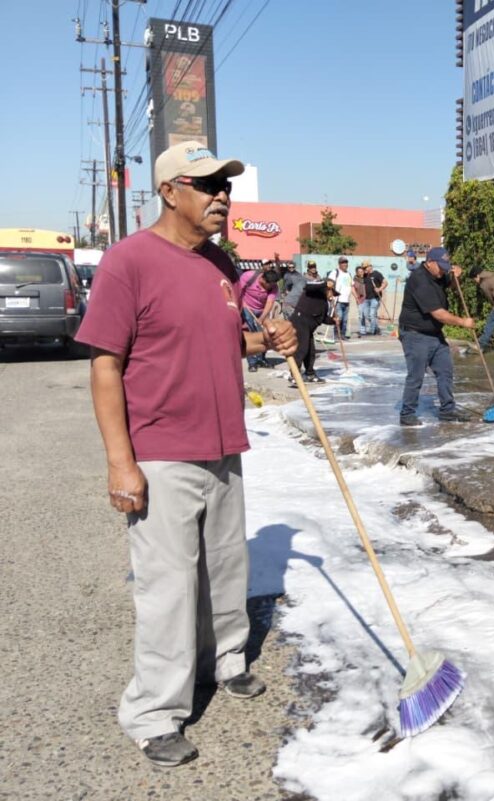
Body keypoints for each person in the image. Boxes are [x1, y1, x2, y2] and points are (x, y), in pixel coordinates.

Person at [74, 140, 297, 768]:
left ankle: (223, 661)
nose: (222, 196)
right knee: (169, 586)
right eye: (208, 185)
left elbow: (223, 341)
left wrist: (267, 339)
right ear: (170, 192)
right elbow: (105, 365)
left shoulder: (219, 263)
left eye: (225, 186)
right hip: (161, 451)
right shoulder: (129, 261)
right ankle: (153, 712)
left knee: (224, 567)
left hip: (223, 446)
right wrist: (120, 462)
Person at [397, 246, 475, 426]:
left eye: (445, 267)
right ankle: (407, 413)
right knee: (416, 375)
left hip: (434, 334)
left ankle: (447, 410)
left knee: (445, 371)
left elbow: (452, 286)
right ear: (429, 262)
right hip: (415, 334)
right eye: (440, 267)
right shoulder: (419, 280)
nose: (443, 272)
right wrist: (463, 322)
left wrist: (456, 277)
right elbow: (438, 314)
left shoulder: (438, 274)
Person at [288, 276, 336, 386]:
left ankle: (310, 374)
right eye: (331, 292)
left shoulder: (324, 303)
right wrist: (325, 284)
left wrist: (334, 321)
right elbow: (309, 286)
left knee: (310, 351)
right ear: (327, 289)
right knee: (301, 349)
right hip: (300, 322)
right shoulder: (312, 291)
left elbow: (322, 318)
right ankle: (294, 375)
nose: (332, 295)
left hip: (309, 327)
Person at [237, 267, 280, 371]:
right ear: (262, 279)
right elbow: (238, 292)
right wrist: (242, 304)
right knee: (251, 333)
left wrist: (262, 318)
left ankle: (261, 359)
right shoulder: (248, 276)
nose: (270, 287)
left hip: (262, 309)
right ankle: (252, 362)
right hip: (247, 307)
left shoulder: (273, 286)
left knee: (264, 334)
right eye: (269, 285)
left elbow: (269, 302)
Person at [328, 257, 353, 339]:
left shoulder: (349, 274)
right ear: (339, 264)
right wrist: (330, 295)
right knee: (339, 318)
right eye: (343, 263)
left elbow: (351, 286)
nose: (345, 264)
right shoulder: (335, 272)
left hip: (347, 300)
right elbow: (329, 283)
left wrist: (356, 297)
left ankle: (342, 334)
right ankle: (336, 334)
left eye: (346, 262)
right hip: (338, 300)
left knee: (345, 320)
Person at [361, 261, 385, 336]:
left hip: (375, 298)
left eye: (365, 267)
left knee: (372, 314)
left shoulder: (376, 274)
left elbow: (385, 282)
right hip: (366, 299)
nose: (364, 269)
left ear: (370, 267)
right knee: (366, 315)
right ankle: (376, 328)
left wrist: (379, 289)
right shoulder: (364, 275)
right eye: (363, 268)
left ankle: (372, 331)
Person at [351, 263, 367, 336]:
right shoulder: (354, 280)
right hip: (360, 300)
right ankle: (362, 330)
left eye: (362, 271)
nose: (361, 273)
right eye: (359, 272)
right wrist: (356, 298)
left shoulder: (366, 279)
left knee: (368, 315)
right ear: (356, 273)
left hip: (368, 299)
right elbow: (353, 289)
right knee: (361, 315)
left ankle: (374, 328)